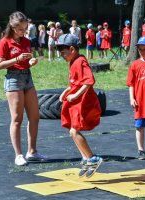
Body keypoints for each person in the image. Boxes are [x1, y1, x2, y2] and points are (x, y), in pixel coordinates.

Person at [0, 11, 46, 166]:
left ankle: (32, 151)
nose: (24, 32)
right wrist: (16, 59)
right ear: (13, 26)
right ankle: (18, 155)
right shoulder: (4, 42)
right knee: (17, 119)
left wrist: (32, 61)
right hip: (13, 79)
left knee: (35, 117)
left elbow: (28, 58)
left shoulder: (25, 41)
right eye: (21, 29)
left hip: (27, 78)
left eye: (25, 28)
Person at [56, 33, 103, 178]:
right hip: (76, 102)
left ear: (72, 49)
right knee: (72, 131)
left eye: (63, 53)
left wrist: (76, 95)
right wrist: (66, 91)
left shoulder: (81, 61)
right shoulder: (73, 61)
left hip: (84, 102)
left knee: (74, 131)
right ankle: (85, 157)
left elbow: (89, 81)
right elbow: (75, 82)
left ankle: (93, 158)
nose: (62, 56)